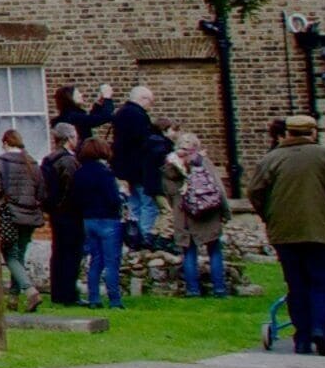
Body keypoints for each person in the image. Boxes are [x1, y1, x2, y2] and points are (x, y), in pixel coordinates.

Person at [248, 116, 325, 355]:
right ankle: (321, 330)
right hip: (323, 231)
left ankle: (302, 337)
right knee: (324, 284)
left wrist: (270, 216)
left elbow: (255, 192)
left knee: (296, 285)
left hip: (285, 234)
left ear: (288, 132)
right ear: (313, 132)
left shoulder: (271, 159)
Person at [169, 136, 231, 299]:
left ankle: (192, 290)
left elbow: (168, 192)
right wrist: (225, 212)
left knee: (189, 252)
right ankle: (219, 289)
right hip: (207, 211)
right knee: (214, 250)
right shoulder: (203, 162)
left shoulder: (170, 166)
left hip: (183, 213)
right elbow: (219, 188)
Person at [72, 128, 127, 310]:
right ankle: (115, 300)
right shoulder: (105, 173)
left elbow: (76, 199)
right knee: (111, 262)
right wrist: (122, 196)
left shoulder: (79, 173)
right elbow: (113, 199)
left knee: (96, 260)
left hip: (88, 219)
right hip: (108, 219)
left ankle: (94, 298)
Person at [113, 86, 172, 253]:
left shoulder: (121, 113)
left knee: (134, 205)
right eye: (150, 101)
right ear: (142, 98)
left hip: (124, 169)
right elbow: (145, 143)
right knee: (148, 204)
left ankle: (135, 239)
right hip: (140, 169)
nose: (150, 106)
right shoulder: (138, 115)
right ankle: (145, 238)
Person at [0, 129, 48, 305]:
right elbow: (41, 192)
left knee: (10, 254)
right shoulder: (32, 163)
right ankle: (13, 297)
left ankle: (30, 290)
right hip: (30, 215)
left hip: (9, 215)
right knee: (20, 256)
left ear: (5, 143)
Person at [41, 124, 86, 305]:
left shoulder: (49, 159)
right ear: (69, 138)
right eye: (75, 136)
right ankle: (68, 294)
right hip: (69, 214)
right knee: (71, 254)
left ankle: (58, 293)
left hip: (56, 213)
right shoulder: (68, 161)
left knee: (59, 253)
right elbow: (71, 188)